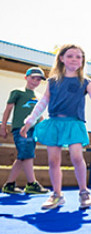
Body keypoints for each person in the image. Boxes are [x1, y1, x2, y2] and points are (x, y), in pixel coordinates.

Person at [21, 44, 91, 210]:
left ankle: (84, 192)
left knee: (77, 157)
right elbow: (43, 102)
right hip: (54, 124)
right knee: (53, 160)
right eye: (70, 56)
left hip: (74, 124)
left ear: (82, 61)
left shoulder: (85, 82)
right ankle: (57, 195)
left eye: (78, 56)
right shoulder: (52, 81)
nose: (74, 59)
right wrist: (29, 121)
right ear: (61, 59)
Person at [1, 67, 49, 195]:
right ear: (26, 77)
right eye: (33, 78)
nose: (35, 81)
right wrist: (3, 126)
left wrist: (43, 128)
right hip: (20, 128)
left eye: (39, 79)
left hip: (33, 130)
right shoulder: (18, 92)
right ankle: (31, 184)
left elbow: (39, 115)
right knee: (27, 154)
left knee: (23, 155)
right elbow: (8, 109)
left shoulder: (39, 96)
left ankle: (9, 185)